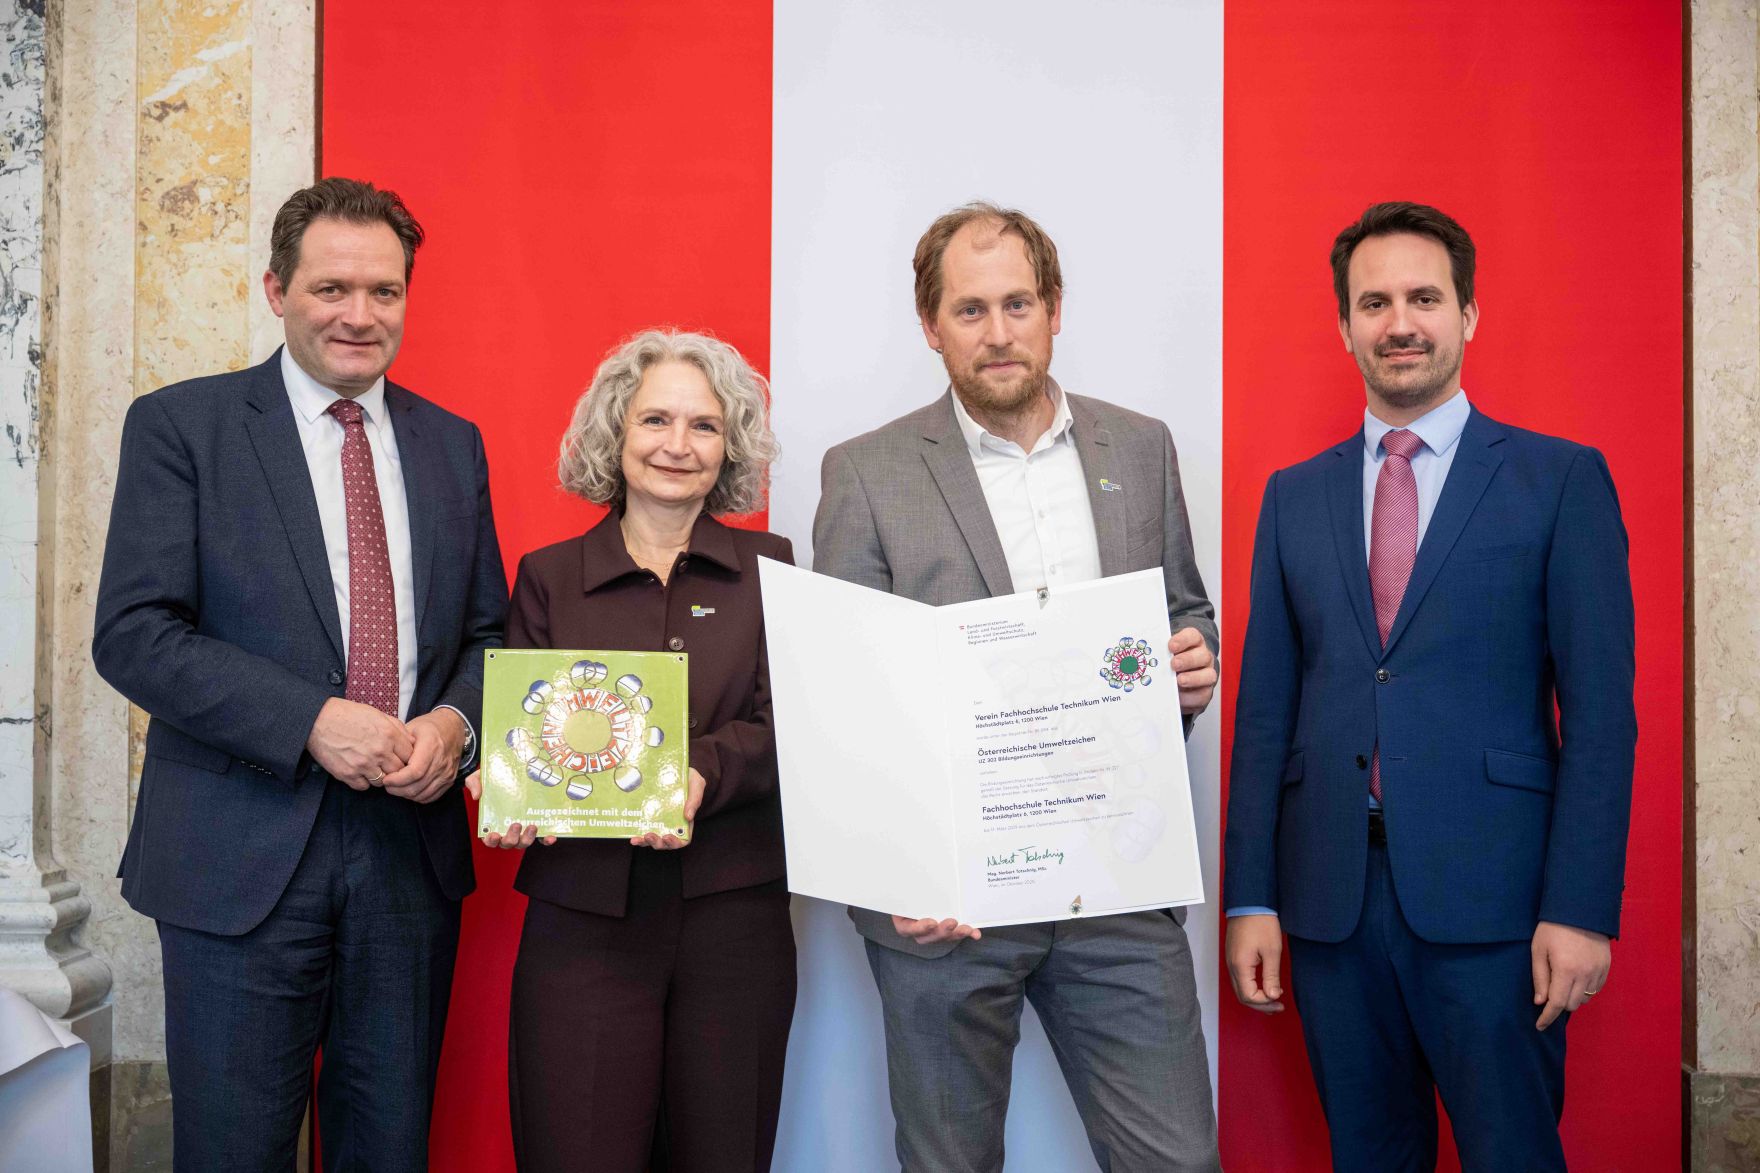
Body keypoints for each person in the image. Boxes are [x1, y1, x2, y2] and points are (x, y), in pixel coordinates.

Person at [91, 178, 507, 1171]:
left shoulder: (453, 445)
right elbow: (134, 632)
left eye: (384, 291)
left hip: (408, 860)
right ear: (276, 288)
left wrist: (453, 728)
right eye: (331, 288)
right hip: (239, 861)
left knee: (387, 1147)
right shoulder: (183, 427)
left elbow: (489, 638)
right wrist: (311, 719)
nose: (358, 315)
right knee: (233, 1151)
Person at [1223, 201, 1637, 1171]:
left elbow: (1600, 720)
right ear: (1342, 326)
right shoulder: (1293, 496)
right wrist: (1250, 896)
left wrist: (1577, 909)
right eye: (1372, 302)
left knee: (1511, 1155)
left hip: (1497, 909)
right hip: (1329, 903)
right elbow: (1264, 713)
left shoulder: (1557, 480)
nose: (1397, 321)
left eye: (1421, 297)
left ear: (1466, 314)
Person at [812, 202, 1223, 1172]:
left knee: (1175, 1161)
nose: (997, 334)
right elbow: (844, 696)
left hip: (1118, 881)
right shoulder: (866, 473)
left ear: (1053, 309)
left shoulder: (1142, 447)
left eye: (1017, 304)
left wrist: (1191, 662)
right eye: (968, 311)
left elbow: (1183, 612)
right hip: (947, 900)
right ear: (929, 326)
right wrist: (894, 871)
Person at [469, 329, 794, 1173]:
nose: (677, 446)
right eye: (656, 419)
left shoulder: (774, 570)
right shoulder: (547, 576)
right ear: (617, 431)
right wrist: (509, 796)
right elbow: (528, 733)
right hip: (585, 922)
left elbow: (791, 725)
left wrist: (700, 775)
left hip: (735, 920)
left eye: (704, 426)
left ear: (732, 447)